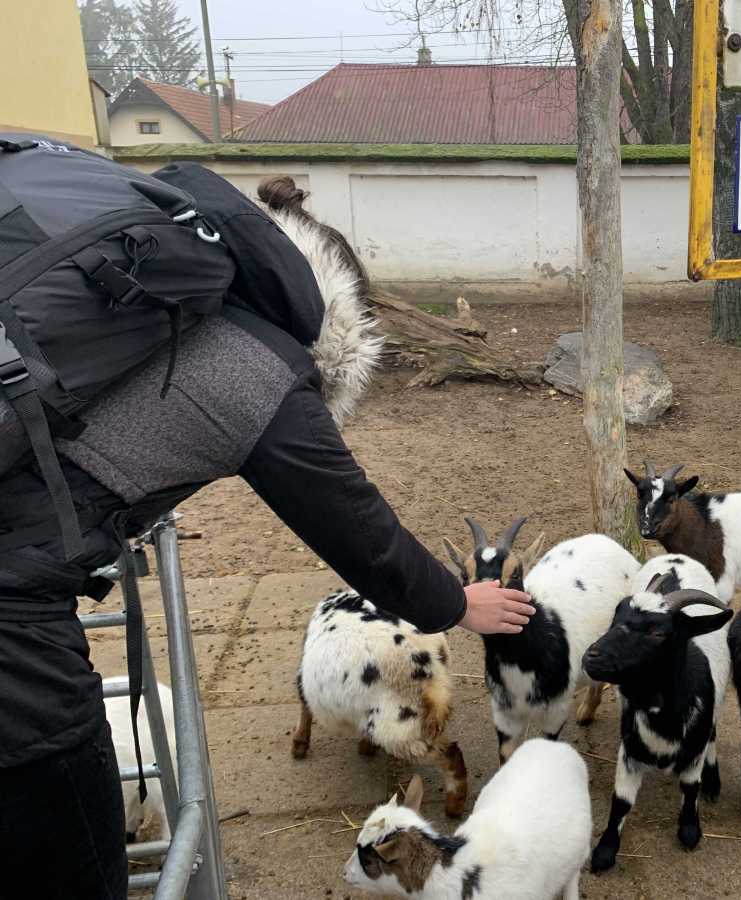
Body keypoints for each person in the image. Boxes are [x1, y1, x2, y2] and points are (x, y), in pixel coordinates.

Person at [0, 176, 534, 899]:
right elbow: (362, 531)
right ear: (341, 309)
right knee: (75, 831)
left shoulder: (158, 301)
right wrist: (457, 604)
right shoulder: (258, 368)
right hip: (13, 603)